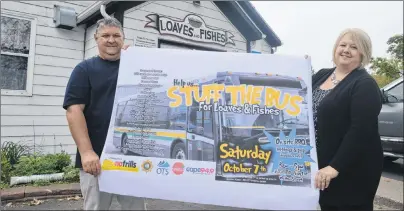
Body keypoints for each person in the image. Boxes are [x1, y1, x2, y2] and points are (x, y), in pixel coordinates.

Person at [63, 17, 145, 210]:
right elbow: (74, 111)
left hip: (131, 157)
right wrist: (86, 152)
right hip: (96, 160)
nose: (111, 40)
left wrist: (137, 57)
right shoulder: (84, 69)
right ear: (96, 38)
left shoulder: (135, 67)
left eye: (117, 35)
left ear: (123, 38)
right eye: (105, 35)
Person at [312, 28, 384, 211]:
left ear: (363, 53)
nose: (346, 50)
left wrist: (335, 167)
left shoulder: (364, 84)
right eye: (342, 45)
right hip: (321, 166)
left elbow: (361, 130)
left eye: (354, 47)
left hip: (350, 169)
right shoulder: (321, 75)